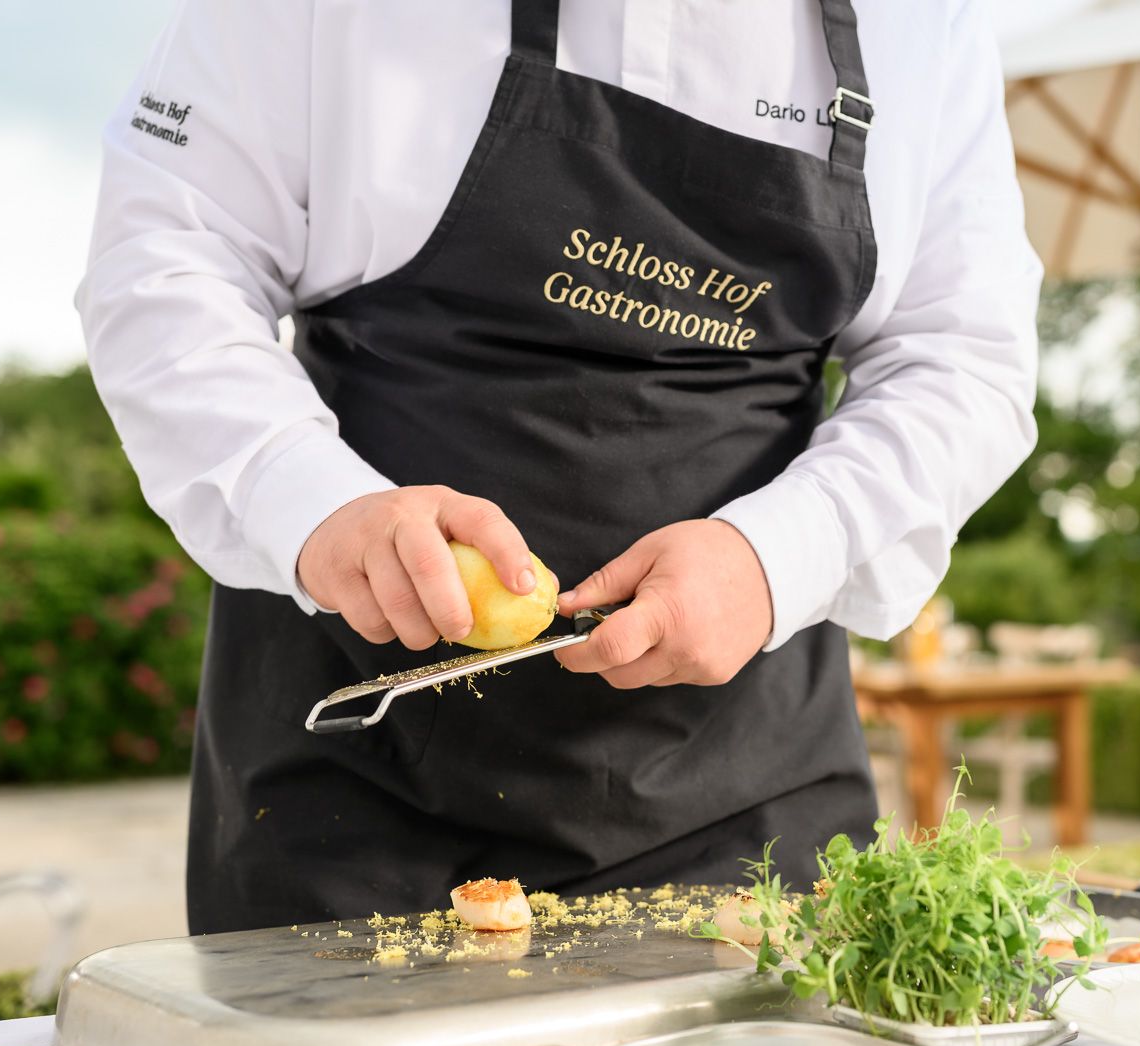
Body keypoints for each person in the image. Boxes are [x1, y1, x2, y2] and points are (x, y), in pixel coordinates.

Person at [78, 0, 1040, 934]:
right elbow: (166, 255)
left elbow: (965, 360)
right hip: (352, 805)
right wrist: (313, 502)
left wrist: (778, 552)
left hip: (749, 816)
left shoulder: (924, 22)